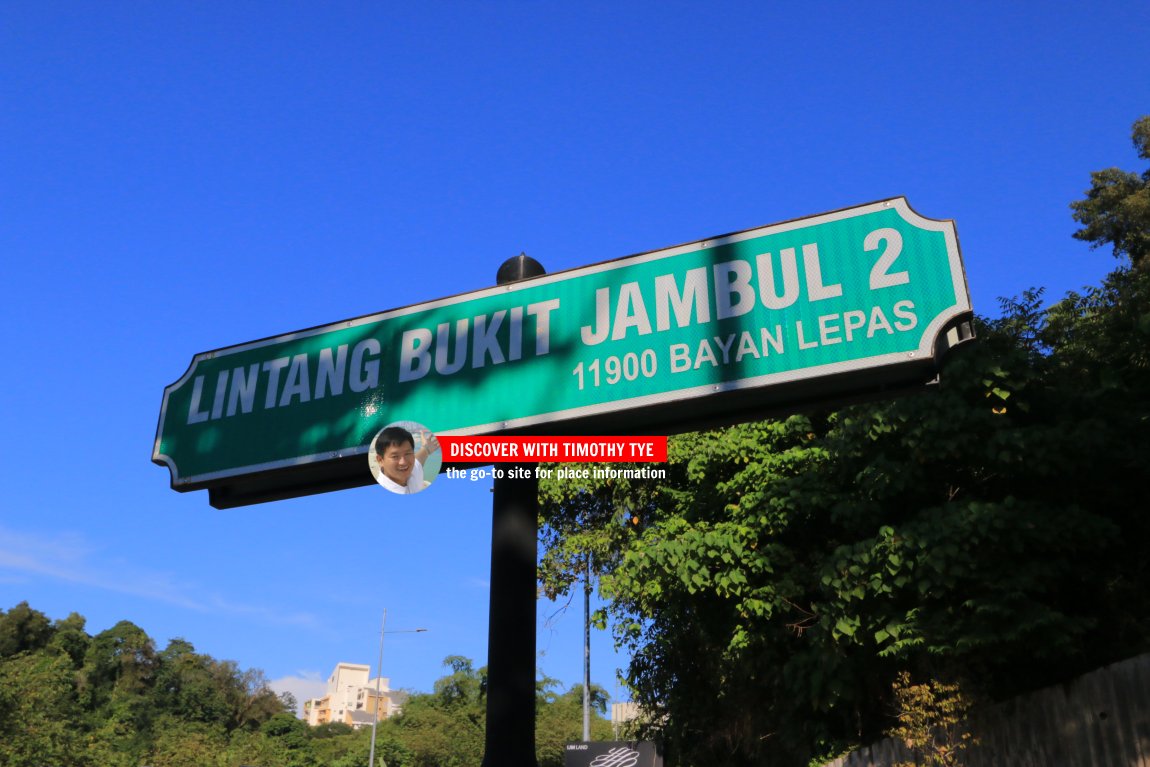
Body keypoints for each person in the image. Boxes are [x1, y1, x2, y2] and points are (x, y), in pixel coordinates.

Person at [373, 425, 439, 495]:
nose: (403, 462)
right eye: (395, 456)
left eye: (407, 454)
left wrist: (426, 449)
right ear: (380, 460)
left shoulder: (413, 470)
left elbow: (420, 457)